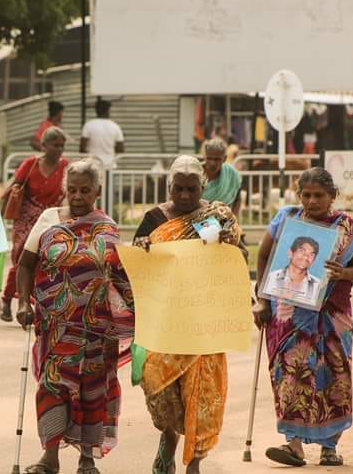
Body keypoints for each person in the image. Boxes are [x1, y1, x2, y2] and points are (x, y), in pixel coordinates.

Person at [15, 159, 135, 474]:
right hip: (56, 328)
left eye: (85, 190)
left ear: (97, 190)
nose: (78, 196)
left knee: (93, 391)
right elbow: (25, 264)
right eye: (72, 190)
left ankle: (86, 459)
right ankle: (49, 457)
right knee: (52, 388)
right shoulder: (48, 220)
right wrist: (23, 304)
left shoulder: (107, 226)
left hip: (97, 329)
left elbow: (120, 273)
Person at [132, 155, 246, 474]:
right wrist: (142, 247)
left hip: (204, 322)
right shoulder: (155, 219)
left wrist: (228, 244)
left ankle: (194, 462)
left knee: (202, 393)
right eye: (178, 189)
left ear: (203, 187)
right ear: (169, 187)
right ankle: (168, 441)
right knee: (160, 391)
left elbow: (239, 258)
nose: (184, 196)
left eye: (191, 189)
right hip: (165, 323)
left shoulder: (215, 217)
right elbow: (134, 269)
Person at [253, 167, 353, 467]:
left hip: (333, 317)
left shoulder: (346, 227)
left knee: (333, 375)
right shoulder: (286, 219)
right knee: (290, 374)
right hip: (288, 315)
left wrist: (343, 273)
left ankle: (329, 448)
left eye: (319, 195)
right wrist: (262, 297)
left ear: (333, 196)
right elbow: (264, 255)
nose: (312, 200)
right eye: (306, 194)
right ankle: (293, 446)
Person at [0, 126, 69, 322]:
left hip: (50, 219)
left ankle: (37, 303)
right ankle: (7, 299)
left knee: (45, 261)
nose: (59, 150)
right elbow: (15, 186)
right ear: (43, 145)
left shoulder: (65, 168)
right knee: (22, 259)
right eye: (55, 145)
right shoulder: (30, 164)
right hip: (26, 219)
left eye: (62, 146)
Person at [80, 99, 125, 215]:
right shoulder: (114, 126)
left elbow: (82, 147)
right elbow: (121, 148)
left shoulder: (88, 125)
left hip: (92, 167)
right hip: (109, 166)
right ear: (108, 110)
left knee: (90, 193)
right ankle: (107, 218)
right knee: (108, 195)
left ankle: (90, 216)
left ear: (96, 110)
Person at [262, 236, 322, 306]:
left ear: (313, 260)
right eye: (302, 251)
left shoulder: (317, 285)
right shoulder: (272, 277)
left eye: (311, 254)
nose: (306, 257)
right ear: (290, 253)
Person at [200, 138, 242, 217]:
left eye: (217, 159)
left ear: (224, 159)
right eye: (209, 158)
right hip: (196, 221)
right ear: (204, 157)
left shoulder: (231, 173)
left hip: (223, 221)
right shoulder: (196, 172)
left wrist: (233, 219)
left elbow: (237, 199)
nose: (212, 163)